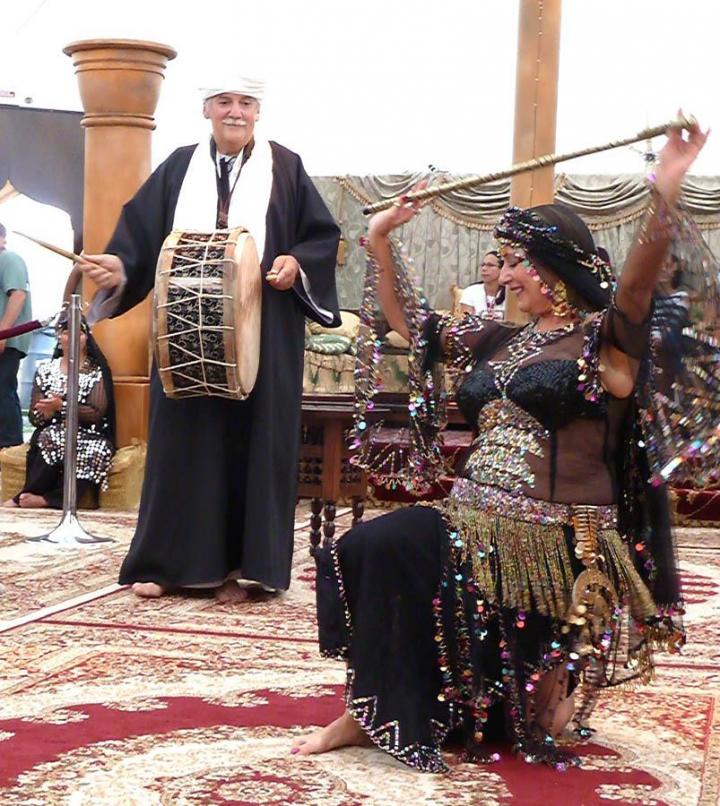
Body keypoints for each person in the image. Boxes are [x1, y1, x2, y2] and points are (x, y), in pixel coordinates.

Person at [292, 120, 714, 771]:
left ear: (556, 272)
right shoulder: (499, 338)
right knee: (374, 545)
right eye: (506, 261)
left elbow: (635, 286)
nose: (505, 273)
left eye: (518, 262)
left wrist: (664, 189)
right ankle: (368, 708)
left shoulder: (605, 344)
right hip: (471, 517)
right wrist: (380, 237)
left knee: (538, 726)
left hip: (554, 541)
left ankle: (536, 686)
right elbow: (413, 324)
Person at [76, 75, 340, 603]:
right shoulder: (178, 165)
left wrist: (295, 263)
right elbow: (142, 237)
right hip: (182, 329)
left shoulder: (285, 166)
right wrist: (120, 266)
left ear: (258, 112)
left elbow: (320, 238)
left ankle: (245, 571)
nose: (235, 112)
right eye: (225, 102)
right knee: (185, 442)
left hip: (262, 324)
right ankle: (171, 564)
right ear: (206, 110)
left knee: (253, 440)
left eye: (245, 103)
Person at [3, 313, 115, 509]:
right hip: (52, 429)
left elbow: (96, 412)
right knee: (53, 437)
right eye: (66, 333)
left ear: (86, 338)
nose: (72, 338)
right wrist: (44, 414)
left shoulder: (96, 371)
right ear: (59, 337)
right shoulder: (46, 369)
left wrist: (61, 406)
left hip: (88, 433)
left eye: (79, 334)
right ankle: (28, 493)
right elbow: (35, 415)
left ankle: (50, 500)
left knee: (96, 449)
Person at [0, 223, 32, 449]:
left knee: (3, 388)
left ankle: (10, 446)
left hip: (8, 338)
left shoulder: (9, 259)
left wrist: (3, 332)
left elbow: (18, 295)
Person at [458, 250, 506, 318]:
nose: (484, 268)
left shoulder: (511, 294)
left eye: (490, 265)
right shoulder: (471, 291)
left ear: (502, 269)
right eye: (483, 265)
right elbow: (467, 321)